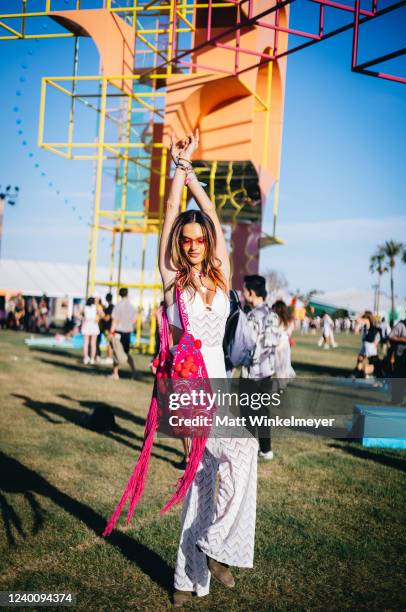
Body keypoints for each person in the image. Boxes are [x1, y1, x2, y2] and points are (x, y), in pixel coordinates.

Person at [103, 130, 258, 606]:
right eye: (186, 240)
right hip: (191, 388)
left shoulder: (221, 277)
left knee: (206, 480)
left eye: (198, 239)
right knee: (244, 454)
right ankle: (215, 548)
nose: (192, 244)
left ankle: (186, 581)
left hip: (221, 384)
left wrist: (190, 169)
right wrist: (175, 176)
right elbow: (173, 217)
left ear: (207, 242)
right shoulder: (173, 282)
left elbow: (209, 213)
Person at [240, 274, 280, 461]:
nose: (242, 293)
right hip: (267, 371)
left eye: (244, 290)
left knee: (248, 413)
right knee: (263, 411)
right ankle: (266, 449)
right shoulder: (273, 315)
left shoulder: (251, 316)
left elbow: (246, 344)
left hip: (251, 372)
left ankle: (248, 450)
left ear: (251, 292)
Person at [109, 287, 137, 380]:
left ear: (119, 295)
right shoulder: (132, 306)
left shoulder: (118, 306)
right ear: (127, 294)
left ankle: (115, 373)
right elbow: (134, 320)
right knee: (126, 352)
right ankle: (134, 372)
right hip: (128, 331)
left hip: (118, 332)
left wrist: (111, 332)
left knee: (117, 352)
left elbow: (114, 320)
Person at [272, 300, 296, 381]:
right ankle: (281, 383)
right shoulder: (289, 320)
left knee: (277, 364)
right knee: (284, 364)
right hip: (284, 343)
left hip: (276, 343)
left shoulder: (274, 318)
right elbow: (289, 333)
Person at [388, 308, 406, 403]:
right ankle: (396, 400)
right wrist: (403, 340)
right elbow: (391, 336)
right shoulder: (401, 325)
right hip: (400, 357)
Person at [81, 297, 100, 365]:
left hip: (86, 324)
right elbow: (101, 314)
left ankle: (86, 358)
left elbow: (80, 314)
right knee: (93, 344)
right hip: (94, 325)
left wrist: (83, 318)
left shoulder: (85, 307)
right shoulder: (96, 307)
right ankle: (92, 358)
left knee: (85, 343)